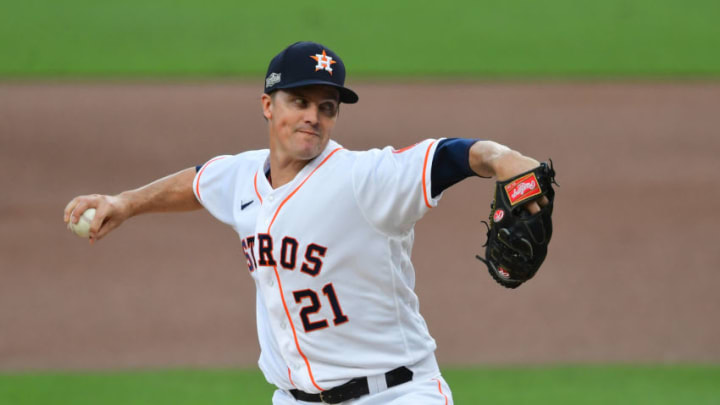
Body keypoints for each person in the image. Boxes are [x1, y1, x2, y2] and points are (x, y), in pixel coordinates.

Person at [64, 41, 547, 404]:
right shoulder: (241, 176)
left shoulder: (363, 179)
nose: (313, 117)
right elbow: (196, 183)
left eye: (327, 107)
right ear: (267, 105)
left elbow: (457, 156)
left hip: (395, 394)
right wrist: (124, 202)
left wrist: (506, 164)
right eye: (300, 102)